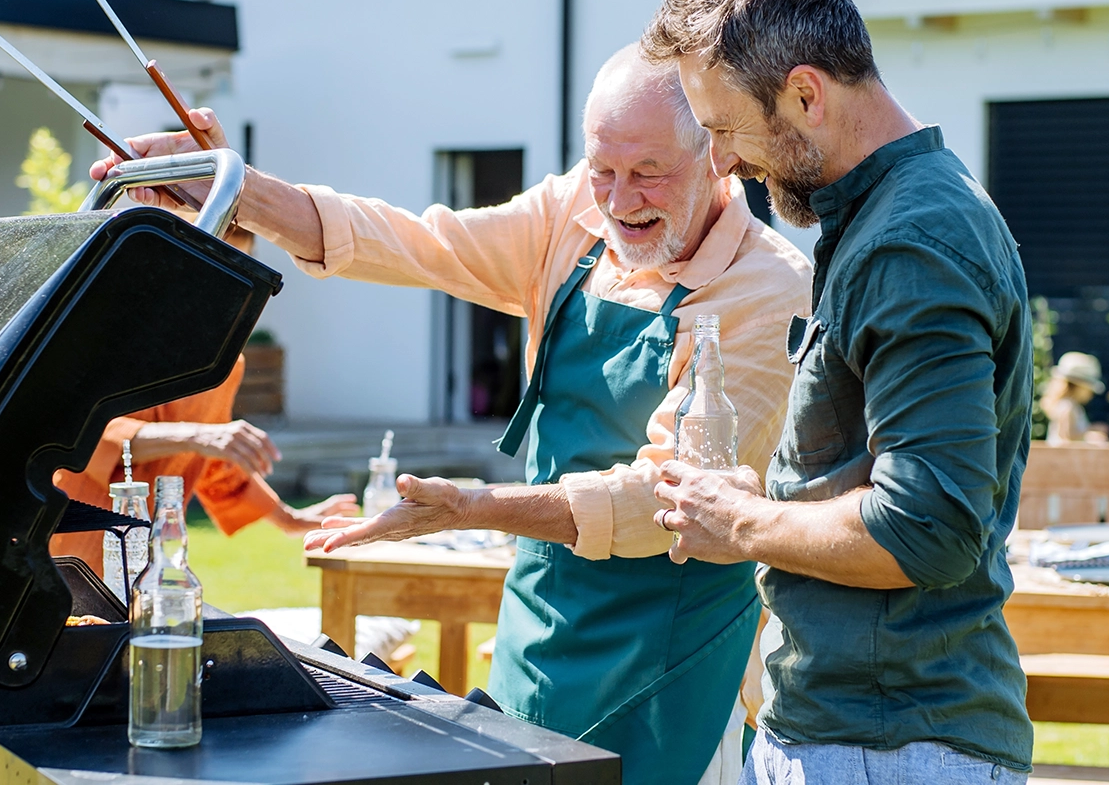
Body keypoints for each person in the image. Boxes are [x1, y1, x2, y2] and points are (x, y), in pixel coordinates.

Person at [92, 45, 813, 784]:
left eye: (648, 172)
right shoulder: (572, 213)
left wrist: (475, 506)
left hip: (670, 647)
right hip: (541, 615)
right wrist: (239, 188)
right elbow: (418, 243)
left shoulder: (767, 290)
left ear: (718, 157)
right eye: (603, 169)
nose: (620, 200)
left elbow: (664, 502)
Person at [641, 0, 1034, 784]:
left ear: (805, 94)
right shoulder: (884, 214)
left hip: (887, 745)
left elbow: (926, 529)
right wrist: (768, 499)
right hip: (864, 734)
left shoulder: (912, 242)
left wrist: (742, 526)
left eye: (724, 129)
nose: (722, 164)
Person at [50, 235, 358, 576]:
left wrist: (289, 518)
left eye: (242, 271)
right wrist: (197, 436)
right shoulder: (115, 334)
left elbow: (215, 459)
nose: (231, 286)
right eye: (218, 267)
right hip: (74, 546)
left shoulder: (225, 363)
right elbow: (85, 435)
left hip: (155, 560)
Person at [1039, 352, 1109, 444]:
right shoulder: (1067, 407)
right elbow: (1066, 438)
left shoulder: (1072, 406)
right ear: (1078, 386)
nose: (1091, 393)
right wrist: (1090, 433)